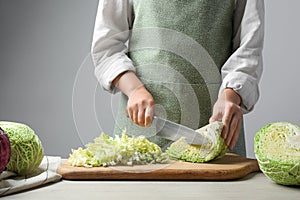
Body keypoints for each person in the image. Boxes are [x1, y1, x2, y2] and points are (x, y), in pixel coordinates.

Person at [91, 0, 264, 157]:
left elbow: (248, 49)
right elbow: (107, 48)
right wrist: (135, 90)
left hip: (216, 131)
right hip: (142, 133)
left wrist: (230, 95)